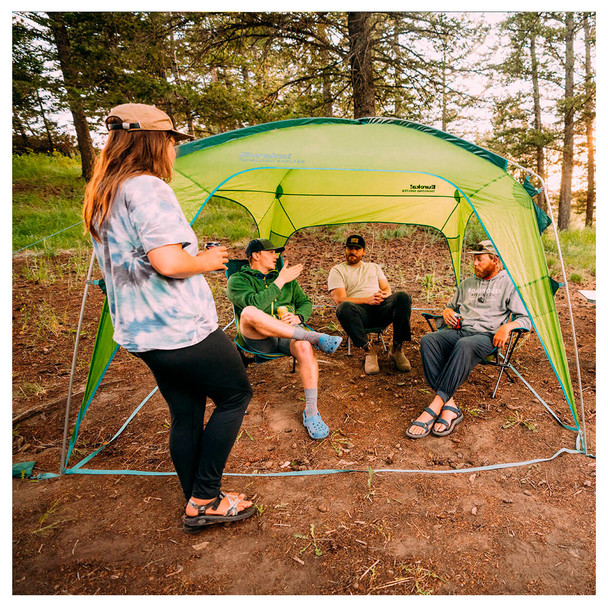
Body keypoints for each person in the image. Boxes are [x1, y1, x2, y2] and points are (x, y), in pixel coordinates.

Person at [82, 103, 256, 532]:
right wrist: (208, 259)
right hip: (181, 329)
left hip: (142, 334)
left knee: (186, 411)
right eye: (172, 141)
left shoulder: (104, 191)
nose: (175, 150)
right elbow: (168, 262)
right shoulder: (146, 187)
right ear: (153, 141)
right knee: (236, 397)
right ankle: (205, 498)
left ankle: (197, 500)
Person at [406, 240, 532, 439]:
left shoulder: (509, 284)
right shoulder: (467, 284)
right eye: (473, 259)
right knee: (428, 340)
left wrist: (507, 326)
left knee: (464, 345)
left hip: (485, 337)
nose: (474, 263)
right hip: (461, 330)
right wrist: (447, 312)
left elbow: (526, 319)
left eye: (479, 259)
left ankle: (435, 405)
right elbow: (451, 307)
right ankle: (450, 407)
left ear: (495, 260)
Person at [226, 238, 342, 440]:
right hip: (258, 337)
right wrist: (280, 281)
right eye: (271, 252)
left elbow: (305, 302)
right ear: (255, 255)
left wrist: (299, 317)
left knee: (305, 347)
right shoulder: (238, 280)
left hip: (289, 333)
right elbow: (255, 304)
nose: (276, 256)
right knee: (249, 311)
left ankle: (312, 412)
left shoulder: (285, 279)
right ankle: (314, 336)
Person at [328, 234, 413, 375]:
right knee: (344, 308)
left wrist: (383, 295)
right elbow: (339, 299)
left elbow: (387, 288)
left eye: (357, 249)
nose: (353, 252)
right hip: (359, 313)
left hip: (380, 308)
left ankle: (397, 349)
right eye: (350, 248)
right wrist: (367, 299)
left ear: (364, 251)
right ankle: (369, 352)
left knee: (403, 297)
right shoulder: (337, 270)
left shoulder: (374, 267)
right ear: (345, 249)